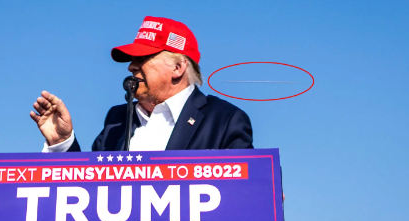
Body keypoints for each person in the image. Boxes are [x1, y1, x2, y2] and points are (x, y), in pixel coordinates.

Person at [31, 16, 253, 153]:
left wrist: (263, 195)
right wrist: (61, 142)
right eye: (131, 60)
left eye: (142, 59)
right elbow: (88, 191)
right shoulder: (116, 120)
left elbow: (245, 191)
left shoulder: (224, 120)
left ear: (178, 68)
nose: (131, 67)